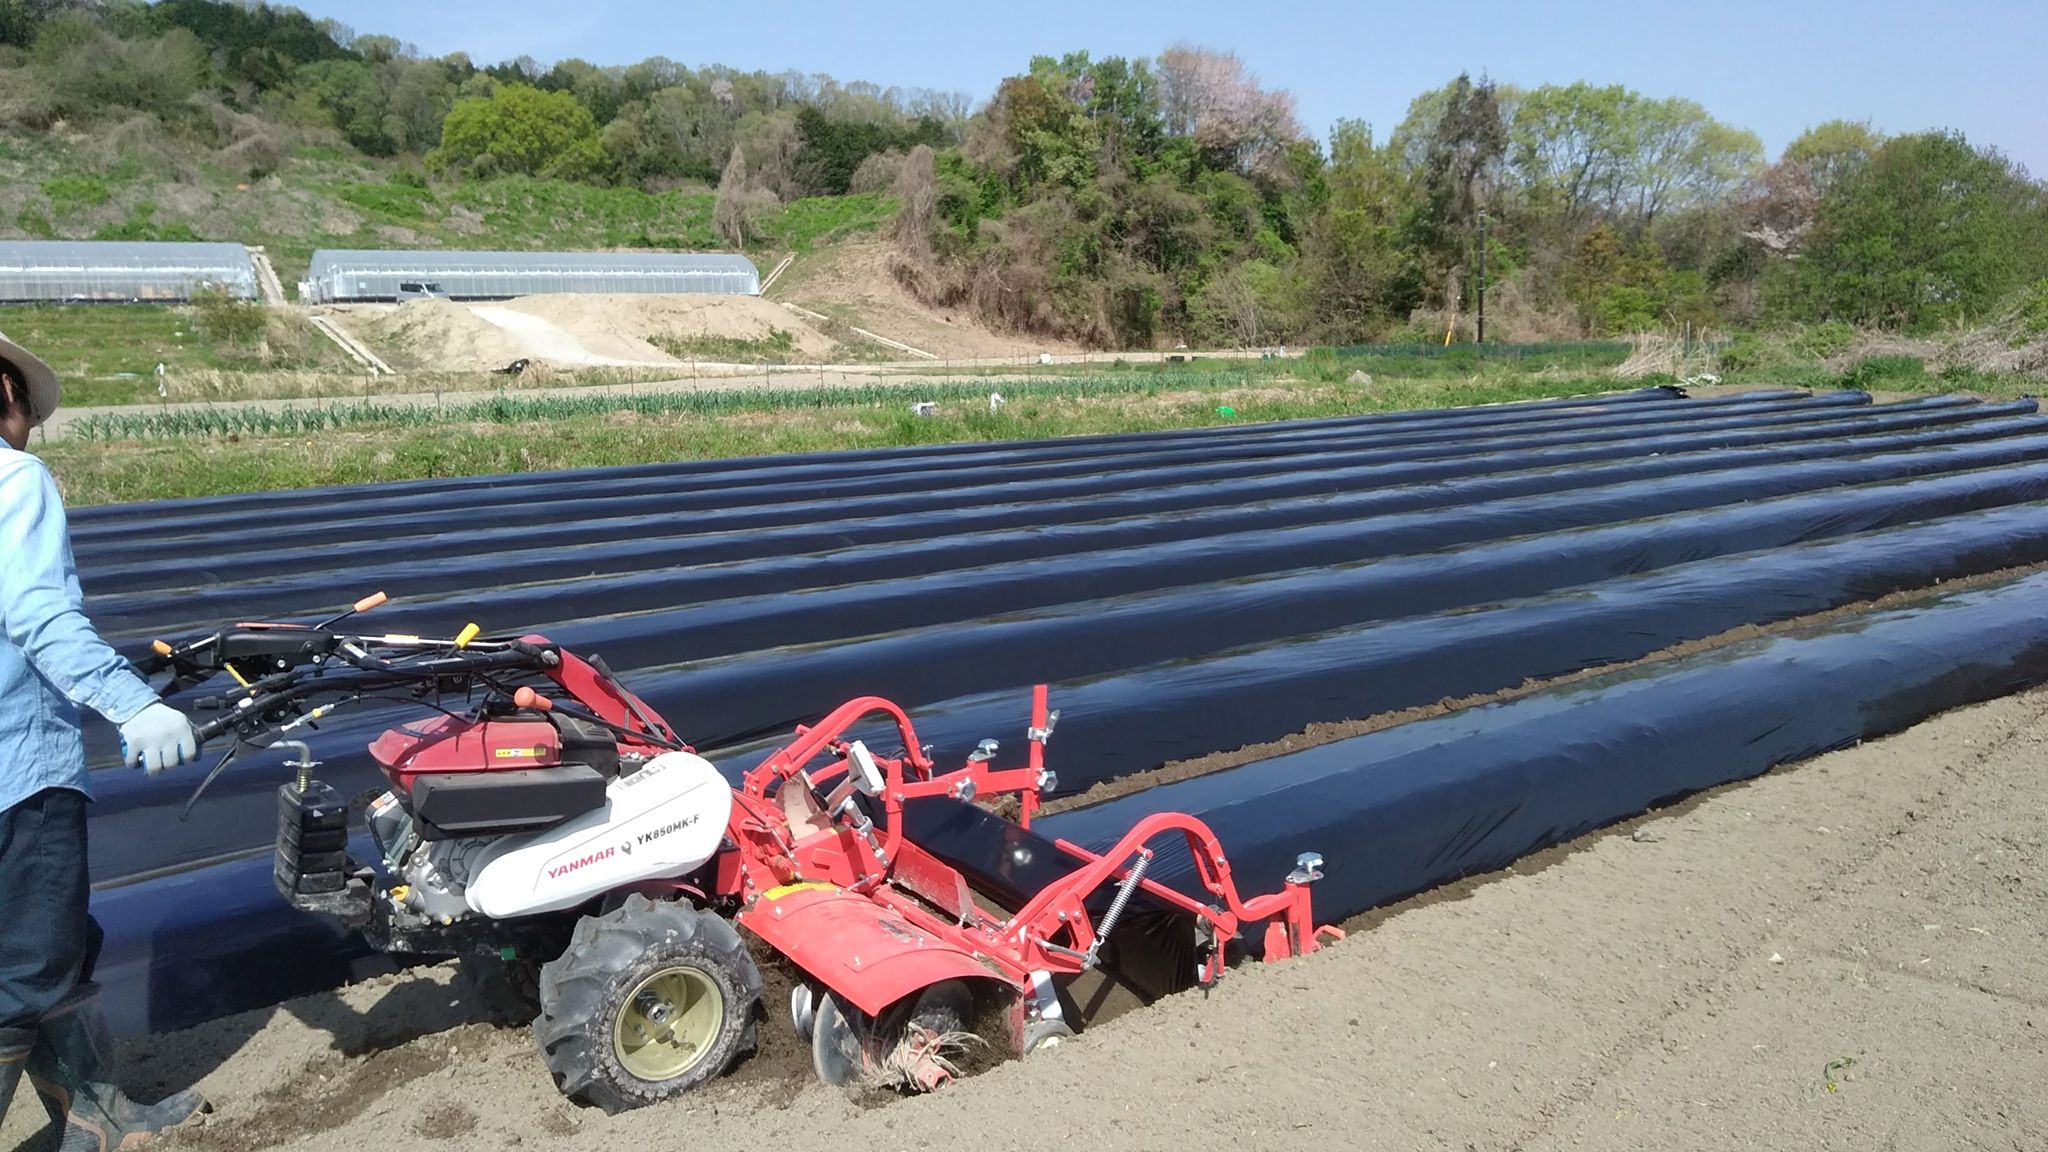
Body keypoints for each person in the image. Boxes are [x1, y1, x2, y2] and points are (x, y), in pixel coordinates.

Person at [0, 333, 209, 1147]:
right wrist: (132, 705)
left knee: (54, 946)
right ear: (9, 400)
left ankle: (100, 1113)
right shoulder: (13, 479)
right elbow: (39, 614)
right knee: (23, 971)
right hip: (19, 776)